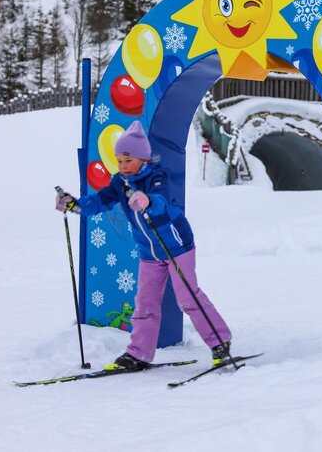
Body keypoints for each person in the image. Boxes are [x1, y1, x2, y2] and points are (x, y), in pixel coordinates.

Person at [56, 120, 233, 371]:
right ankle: (138, 353)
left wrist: (147, 200)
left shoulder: (156, 176)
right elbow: (98, 203)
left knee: (187, 297)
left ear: (143, 159)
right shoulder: (120, 183)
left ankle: (220, 343)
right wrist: (73, 204)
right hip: (149, 252)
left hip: (176, 245)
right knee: (145, 302)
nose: (123, 166)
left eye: (128, 160)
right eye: (119, 161)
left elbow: (163, 202)